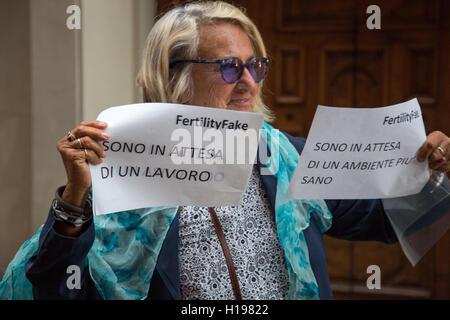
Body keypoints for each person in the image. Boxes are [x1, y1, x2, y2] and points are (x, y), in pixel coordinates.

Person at [1, 1, 449, 300]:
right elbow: (54, 286)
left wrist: (434, 172)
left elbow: (383, 217)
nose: (250, 81)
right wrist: (75, 199)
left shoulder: (286, 158)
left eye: (255, 65)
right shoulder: (121, 168)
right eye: (230, 67)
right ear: (174, 74)